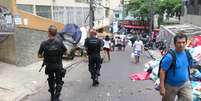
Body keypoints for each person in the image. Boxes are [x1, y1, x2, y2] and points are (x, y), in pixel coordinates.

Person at [159, 34, 193, 101]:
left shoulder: (187, 53)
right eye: (179, 43)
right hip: (171, 85)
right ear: (175, 44)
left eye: (183, 42)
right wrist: (162, 87)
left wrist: (189, 76)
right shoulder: (170, 56)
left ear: (186, 43)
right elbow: (162, 71)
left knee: (188, 99)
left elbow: (188, 66)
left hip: (185, 83)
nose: (181, 45)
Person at [38, 25, 67, 101]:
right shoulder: (60, 42)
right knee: (59, 81)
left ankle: (52, 96)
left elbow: (39, 55)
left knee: (51, 80)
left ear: (48, 33)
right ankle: (56, 97)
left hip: (49, 66)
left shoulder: (43, 43)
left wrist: (45, 55)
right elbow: (66, 52)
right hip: (58, 65)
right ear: (56, 33)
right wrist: (60, 54)